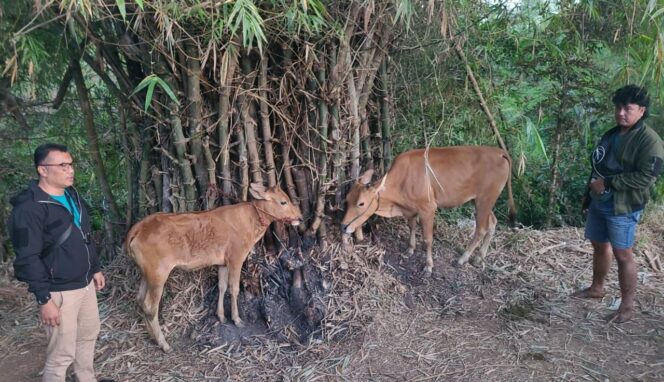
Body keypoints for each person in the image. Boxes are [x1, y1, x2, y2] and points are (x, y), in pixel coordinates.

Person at [8, 143, 111, 382]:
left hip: (85, 284)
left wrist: (94, 268)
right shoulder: (29, 209)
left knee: (87, 337)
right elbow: (27, 257)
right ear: (42, 170)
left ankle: (86, 379)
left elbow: (83, 234)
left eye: (70, 164)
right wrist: (44, 298)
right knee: (61, 354)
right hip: (59, 291)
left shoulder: (71, 195)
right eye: (62, 165)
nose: (70, 170)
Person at [576, 85, 664, 323]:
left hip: (623, 206)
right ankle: (597, 288)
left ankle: (626, 307)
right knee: (599, 245)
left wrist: (609, 184)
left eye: (628, 108)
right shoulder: (613, 133)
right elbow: (599, 166)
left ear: (642, 110)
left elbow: (648, 176)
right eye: (618, 107)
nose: (621, 113)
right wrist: (590, 195)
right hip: (600, 201)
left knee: (623, 254)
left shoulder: (650, 141)